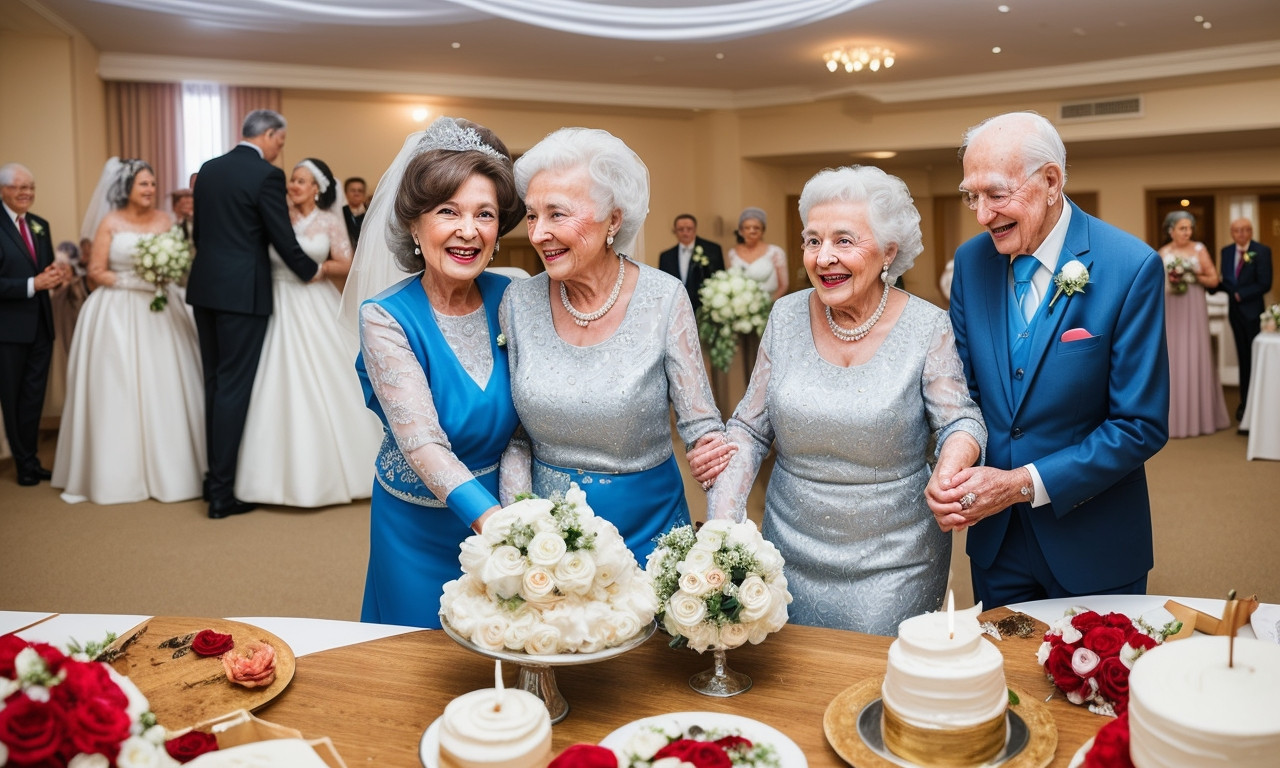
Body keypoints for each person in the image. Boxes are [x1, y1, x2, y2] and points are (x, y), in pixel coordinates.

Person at [703, 166, 986, 636]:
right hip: (787, 546)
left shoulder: (926, 326)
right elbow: (751, 428)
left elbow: (962, 421)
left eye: (844, 241)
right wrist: (723, 527)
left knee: (867, 685)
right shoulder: (786, 314)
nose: (824, 257)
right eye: (812, 241)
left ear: (889, 251)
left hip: (897, 556)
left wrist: (949, 468)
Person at [942, 111, 1169, 607]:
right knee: (999, 682)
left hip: (1093, 541)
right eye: (971, 196)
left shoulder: (1130, 267)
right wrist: (954, 464)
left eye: (996, 194)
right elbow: (965, 396)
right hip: (995, 544)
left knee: (1094, 681)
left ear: (1050, 181)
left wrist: (1023, 484)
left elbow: (1139, 425)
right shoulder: (971, 262)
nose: (981, 215)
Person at [502, 127, 729, 564]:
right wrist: (517, 528)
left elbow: (702, 428)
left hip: (651, 532)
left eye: (557, 214)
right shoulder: (518, 301)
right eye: (532, 216)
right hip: (548, 536)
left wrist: (723, 532)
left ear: (614, 219)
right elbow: (514, 437)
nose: (538, 234)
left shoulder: (664, 297)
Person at [348, 117, 526, 628]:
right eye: (448, 211)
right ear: (413, 223)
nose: (468, 231)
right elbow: (422, 441)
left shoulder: (512, 295)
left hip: (502, 508)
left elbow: (521, 427)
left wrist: (516, 513)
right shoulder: (385, 317)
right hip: (415, 524)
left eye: (484, 214)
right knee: (416, 663)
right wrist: (495, 523)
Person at [187, 109, 321, 519]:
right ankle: (222, 495)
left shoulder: (208, 170)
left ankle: (213, 480)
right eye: (279, 142)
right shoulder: (265, 175)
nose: (280, 151)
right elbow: (279, 234)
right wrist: (309, 271)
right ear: (267, 135)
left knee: (213, 383)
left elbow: (200, 233)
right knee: (234, 388)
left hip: (205, 288)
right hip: (243, 294)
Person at [51, 159, 206, 504]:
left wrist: (164, 273)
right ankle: (116, 471)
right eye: (143, 184)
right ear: (127, 189)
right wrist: (134, 281)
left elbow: (179, 264)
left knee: (164, 384)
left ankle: (173, 469)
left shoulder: (166, 220)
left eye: (152, 184)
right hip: (117, 310)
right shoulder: (111, 221)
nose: (149, 190)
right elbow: (95, 271)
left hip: (161, 308)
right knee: (118, 386)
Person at [234, 157, 380, 507]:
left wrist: (317, 269)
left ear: (318, 189)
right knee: (273, 379)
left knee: (329, 377)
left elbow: (346, 262)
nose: (294, 186)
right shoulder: (274, 216)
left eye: (302, 181)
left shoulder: (329, 221)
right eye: (292, 180)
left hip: (314, 300)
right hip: (275, 301)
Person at [1, 162, 70, 485]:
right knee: (12, 398)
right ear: (3, 190)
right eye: (18, 187)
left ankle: (30, 459)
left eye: (30, 187)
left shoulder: (39, 225)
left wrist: (56, 277)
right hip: (8, 330)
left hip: (41, 326)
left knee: (33, 397)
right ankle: (23, 463)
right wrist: (32, 285)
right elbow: (27, 280)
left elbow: (42, 272)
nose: (26, 193)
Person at [1159, 211, 1229, 438]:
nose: (1187, 232)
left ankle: (1201, 418)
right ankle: (1172, 420)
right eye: (1182, 228)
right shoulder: (1163, 253)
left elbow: (1214, 279)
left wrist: (1191, 274)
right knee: (1173, 358)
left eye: (1189, 228)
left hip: (1193, 307)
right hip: (1172, 309)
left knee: (1195, 354)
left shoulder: (1199, 249)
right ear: (1171, 230)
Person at [1217, 218, 1273, 421]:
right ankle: (1245, 403)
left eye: (1245, 230)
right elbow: (1226, 281)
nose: (1241, 234)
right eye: (1237, 230)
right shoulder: (1226, 251)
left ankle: (1259, 404)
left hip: (1252, 312)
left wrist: (1242, 294)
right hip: (1234, 313)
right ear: (1232, 233)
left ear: (1251, 232)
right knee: (1242, 358)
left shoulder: (1262, 251)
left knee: (1254, 357)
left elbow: (1265, 283)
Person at [658, 213, 724, 315]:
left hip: (704, 309)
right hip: (676, 310)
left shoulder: (712, 250)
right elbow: (663, 285)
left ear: (695, 229)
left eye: (689, 229)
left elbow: (719, 279)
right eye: (681, 229)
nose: (685, 233)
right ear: (675, 231)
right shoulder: (666, 256)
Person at [728, 207, 788, 302]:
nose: (752, 231)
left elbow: (783, 285)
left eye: (756, 228)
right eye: (747, 228)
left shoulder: (776, 252)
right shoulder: (732, 254)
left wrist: (767, 306)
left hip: (769, 305)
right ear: (741, 231)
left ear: (763, 230)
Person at [343, 176, 368, 246]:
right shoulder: (340, 213)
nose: (356, 194)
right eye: (353, 191)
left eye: (360, 191)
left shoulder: (371, 213)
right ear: (346, 193)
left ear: (364, 194)